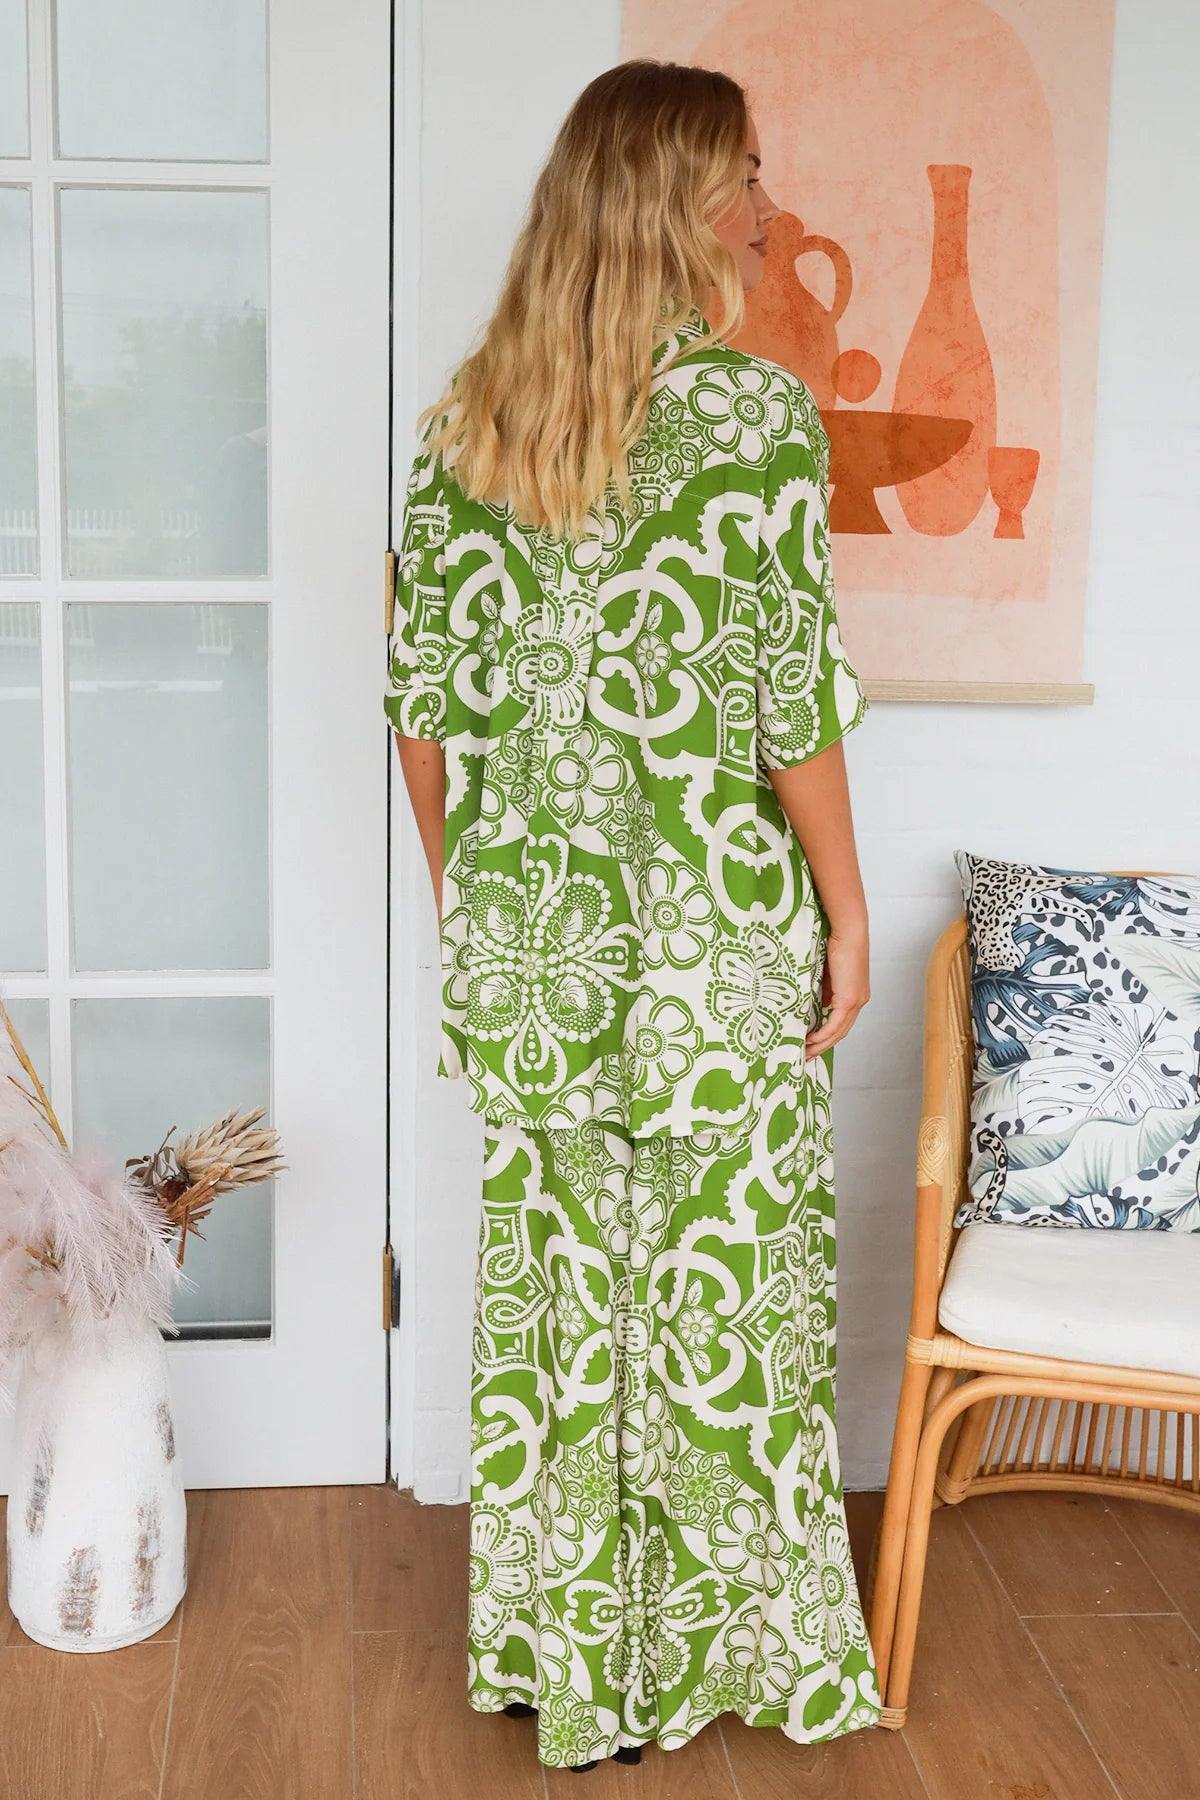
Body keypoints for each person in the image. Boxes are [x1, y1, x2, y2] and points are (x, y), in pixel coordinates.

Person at [384, 57, 882, 1773]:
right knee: (723, 1305)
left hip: (534, 952)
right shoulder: (757, 425)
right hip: (710, 949)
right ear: (676, 203)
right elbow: (791, 713)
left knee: (560, 1314)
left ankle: (570, 1667)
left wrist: (476, 900)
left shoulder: (462, 433)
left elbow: (424, 722)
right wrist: (849, 913)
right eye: (746, 174)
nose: (765, 206)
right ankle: (726, 1650)